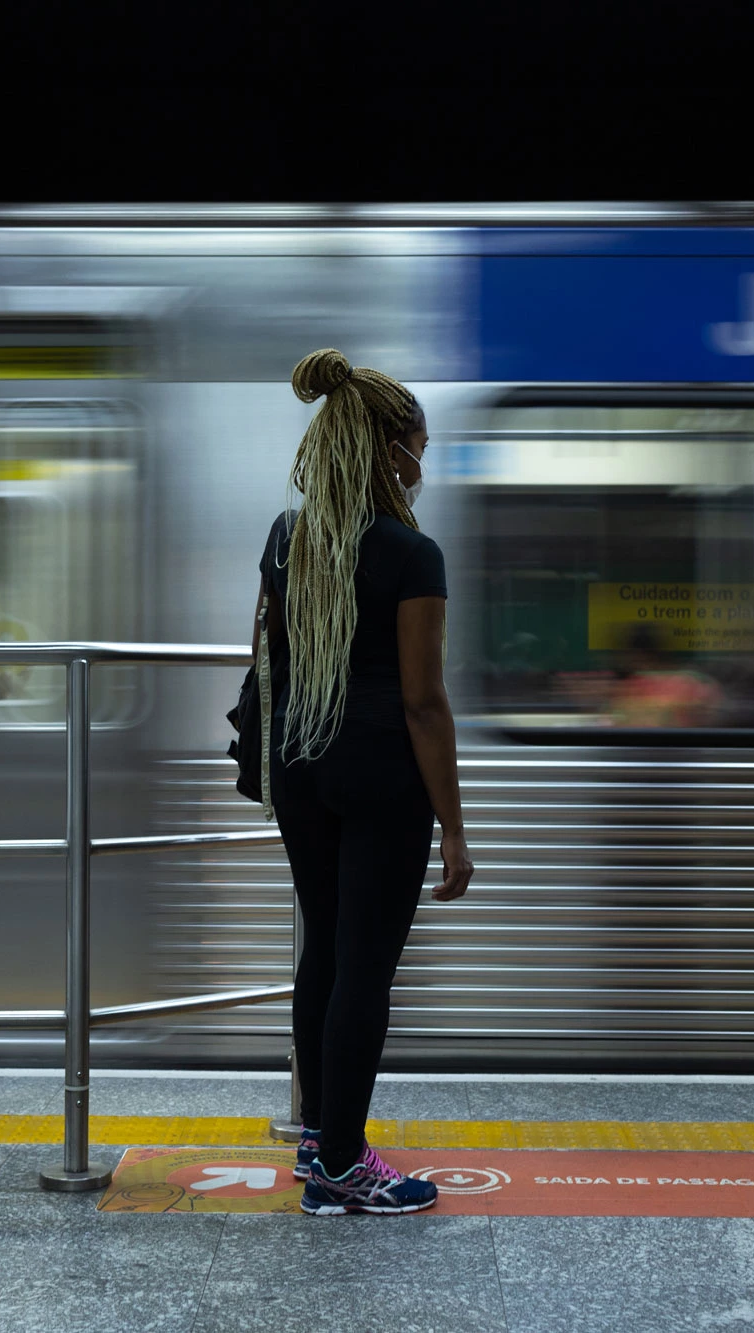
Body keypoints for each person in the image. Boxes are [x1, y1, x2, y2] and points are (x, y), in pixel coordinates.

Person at [254, 348, 474, 1215]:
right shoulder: (410, 553)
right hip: (382, 774)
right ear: (391, 450)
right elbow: (423, 702)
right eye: (419, 447)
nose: (423, 467)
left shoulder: (288, 534)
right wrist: (454, 827)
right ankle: (343, 1163)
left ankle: (321, 1142)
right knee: (364, 969)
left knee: (326, 955)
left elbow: (275, 660)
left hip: (302, 768)